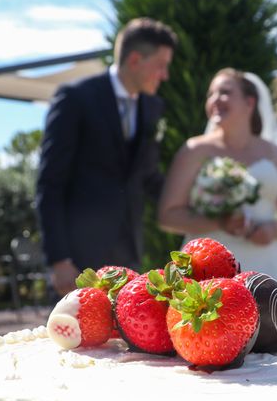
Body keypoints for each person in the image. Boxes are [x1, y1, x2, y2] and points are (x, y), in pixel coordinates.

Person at [158, 68, 277, 329]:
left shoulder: (275, 154)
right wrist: (219, 222)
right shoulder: (194, 150)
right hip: (205, 265)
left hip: (268, 263)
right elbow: (168, 216)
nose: (215, 99)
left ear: (250, 102)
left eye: (225, 92)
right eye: (211, 94)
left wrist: (272, 229)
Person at [36, 18, 178, 296]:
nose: (165, 75)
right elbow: (50, 183)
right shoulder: (76, 98)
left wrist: (197, 204)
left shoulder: (153, 107)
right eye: (161, 65)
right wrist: (58, 259)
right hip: (78, 260)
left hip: (130, 257)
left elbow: (148, 175)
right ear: (136, 59)